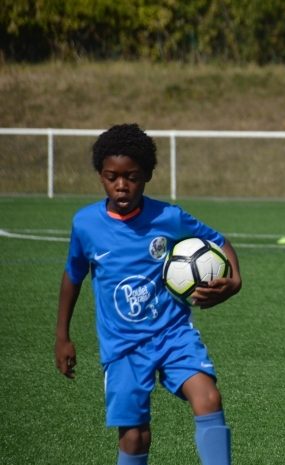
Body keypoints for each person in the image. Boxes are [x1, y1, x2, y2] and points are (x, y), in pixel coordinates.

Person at [53, 123, 242, 465]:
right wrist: (62, 336)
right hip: (122, 345)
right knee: (135, 436)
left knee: (209, 399)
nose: (122, 186)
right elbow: (73, 277)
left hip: (173, 334)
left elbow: (220, 241)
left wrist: (235, 279)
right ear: (100, 175)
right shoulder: (86, 225)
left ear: (148, 175)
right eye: (112, 177)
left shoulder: (168, 217)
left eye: (132, 177)